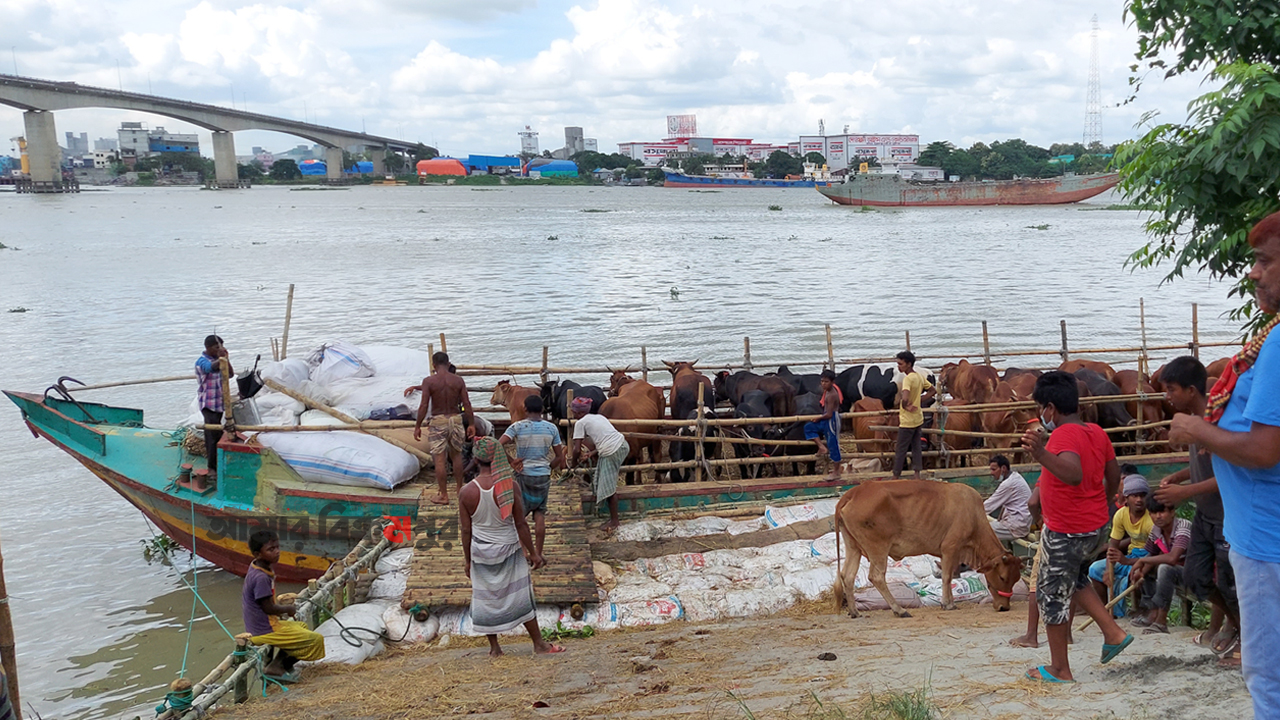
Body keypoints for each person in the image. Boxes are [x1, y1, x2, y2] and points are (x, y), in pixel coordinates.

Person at [1168, 211, 1280, 713]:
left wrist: (1197, 429)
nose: (1253, 272)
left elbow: (1263, 450)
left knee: (1268, 676)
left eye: (1264, 261)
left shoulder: (1278, 345)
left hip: (1266, 539)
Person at [1020, 370, 1131, 683]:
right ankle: (1113, 632)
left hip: (1067, 530)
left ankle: (1060, 668)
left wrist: (1040, 452)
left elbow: (1072, 473)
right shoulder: (1095, 432)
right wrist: (1102, 503)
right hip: (1094, 526)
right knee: (1078, 578)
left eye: (1041, 408)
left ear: (1050, 408)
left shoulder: (1062, 436)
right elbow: (1113, 475)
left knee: (1052, 595)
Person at [1152, 355, 1240, 662]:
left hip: (1225, 516)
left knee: (1230, 583)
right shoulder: (1194, 422)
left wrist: (1184, 492)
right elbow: (1203, 466)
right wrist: (1180, 476)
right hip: (1205, 515)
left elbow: (1229, 475)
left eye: (1172, 389)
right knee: (1194, 577)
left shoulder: (1214, 424)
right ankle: (1236, 623)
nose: (1167, 396)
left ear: (1191, 390)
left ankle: (1243, 636)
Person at [459, 436, 564, 657]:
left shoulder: (466, 492)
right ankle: (539, 644)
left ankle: (495, 648)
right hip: (509, 548)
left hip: (481, 551)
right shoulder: (509, 487)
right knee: (521, 594)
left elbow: (466, 531)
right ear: (497, 458)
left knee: (485, 597)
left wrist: (468, 560)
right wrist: (534, 553)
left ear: (476, 460)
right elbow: (521, 524)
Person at [242, 530, 326, 682]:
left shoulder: (258, 567)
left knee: (301, 626)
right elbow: (268, 608)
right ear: (257, 554)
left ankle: (277, 664)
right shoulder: (261, 578)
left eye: (277, 547)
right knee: (315, 640)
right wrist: (288, 609)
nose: (277, 552)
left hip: (263, 624)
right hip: (264, 629)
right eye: (271, 549)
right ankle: (277, 668)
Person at [500, 395, 565, 557]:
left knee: (520, 516)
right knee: (540, 514)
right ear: (542, 410)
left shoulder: (517, 427)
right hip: (543, 475)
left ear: (525, 409)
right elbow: (559, 456)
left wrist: (512, 461)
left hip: (523, 474)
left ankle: (524, 550)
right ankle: (539, 552)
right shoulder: (551, 428)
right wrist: (548, 467)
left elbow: (497, 444)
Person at [412, 352, 476, 506]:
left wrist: (418, 426)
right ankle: (460, 490)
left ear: (434, 365)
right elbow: (466, 403)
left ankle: (444, 495)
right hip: (456, 419)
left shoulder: (429, 381)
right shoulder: (458, 380)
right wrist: (471, 424)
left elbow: (424, 405)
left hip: (438, 421)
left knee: (439, 458)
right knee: (457, 455)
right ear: (448, 364)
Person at [1088, 474, 1154, 616]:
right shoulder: (1121, 515)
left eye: (1142, 496)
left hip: (1148, 558)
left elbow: (1155, 553)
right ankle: (1105, 610)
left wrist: (1127, 561)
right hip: (1132, 554)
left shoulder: (1151, 518)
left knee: (1135, 576)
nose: (1139, 500)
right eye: (1134, 496)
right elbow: (1113, 546)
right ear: (1126, 498)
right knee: (1094, 569)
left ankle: (1140, 611)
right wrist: (1108, 569)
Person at [1129, 495, 1192, 634]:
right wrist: (1141, 572)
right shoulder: (1156, 530)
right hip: (1176, 571)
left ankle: (1161, 621)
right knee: (1148, 568)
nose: (1158, 516)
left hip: (1193, 573)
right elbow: (1151, 554)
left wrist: (1143, 561)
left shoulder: (1183, 526)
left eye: (1162, 512)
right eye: (1153, 512)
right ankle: (1152, 613)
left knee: (1164, 568)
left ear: (1172, 512)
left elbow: (1173, 558)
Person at [568, 397, 628, 532]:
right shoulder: (599, 417)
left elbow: (576, 450)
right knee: (602, 478)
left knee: (608, 486)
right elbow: (607, 437)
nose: (572, 413)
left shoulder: (580, 423)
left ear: (578, 413)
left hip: (611, 451)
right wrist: (593, 453)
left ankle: (615, 521)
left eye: (573, 411)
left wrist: (573, 465)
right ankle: (609, 516)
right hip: (622, 445)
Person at [893, 351, 935, 480]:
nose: (898, 366)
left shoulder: (908, 379)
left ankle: (896, 475)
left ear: (908, 364)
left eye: (900, 364)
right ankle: (917, 474)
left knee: (901, 449)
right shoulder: (919, 377)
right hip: (918, 418)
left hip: (907, 421)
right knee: (916, 447)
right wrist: (919, 401)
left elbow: (905, 397)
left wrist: (906, 406)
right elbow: (932, 390)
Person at [195, 334, 232, 477]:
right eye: (217, 347)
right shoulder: (201, 362)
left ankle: (218, 462)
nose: (219, 349)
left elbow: (230, 374)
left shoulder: (220, 360)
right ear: (208, 348)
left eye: (221, 347)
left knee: (217, 434)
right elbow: (210, 368)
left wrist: (226, 359)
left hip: (219, 403)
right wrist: (221, 358)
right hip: (208, 404)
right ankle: (211, 467)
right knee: (211, 436)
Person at [804, 369, 843, 480]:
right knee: (808, 427)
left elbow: (829, 414)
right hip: (826, 418)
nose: (823, 384)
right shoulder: (827, 392)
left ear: (832, 382)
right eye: (822, 381)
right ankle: (821, 447)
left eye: (826, 382)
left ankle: (836, 472)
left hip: (832, 420)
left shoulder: (832, 395)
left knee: (833, 444)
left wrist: (818, 418)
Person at [985, 455, 1032, 543]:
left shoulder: (1008, 484)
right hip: (1018, 523)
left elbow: (988, 506)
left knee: (978, 530)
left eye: (994, 469)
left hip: (1015, 526)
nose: (991, 473)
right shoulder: (1015, 477)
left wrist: (970, 515)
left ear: (1003, 468)